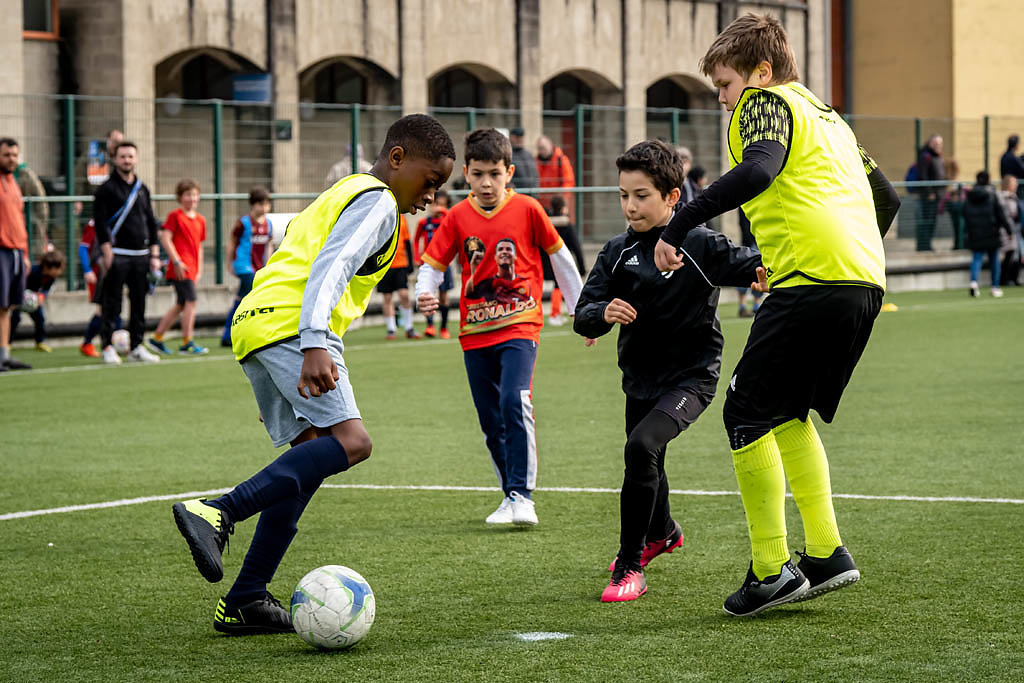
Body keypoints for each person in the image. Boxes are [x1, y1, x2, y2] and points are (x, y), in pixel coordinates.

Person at [653, 13, 900, 616]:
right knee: (786, 413)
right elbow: (885, 197)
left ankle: (770, 570)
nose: (722, 101)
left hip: (815, 282)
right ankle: (826, 552)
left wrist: (682, 222)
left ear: (761, 73)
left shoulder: (764, 102)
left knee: (744, 410)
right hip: (860, 280)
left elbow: (761, 167)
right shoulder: (827, 115)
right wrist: (845, 255)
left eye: (725, 85)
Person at [171, 114, 455, 635]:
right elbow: (332, 265)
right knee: (353, 443)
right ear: (397, 159)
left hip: (258, 323)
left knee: (311, 456)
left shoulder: (343, 189)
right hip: (292, 328)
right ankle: (218, 511)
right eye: (430, 182)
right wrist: (314, 341)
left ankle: (245, 600)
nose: (431, 197)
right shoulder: (380, 202)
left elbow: (290, 255)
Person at [576, 140, 764, 602]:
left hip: (691, 378)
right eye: (623, 195)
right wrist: (604, 312)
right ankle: (662, 532)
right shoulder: (617, 251)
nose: (630, 206)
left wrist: (768, 270)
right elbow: (582, 312)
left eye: (641, 195)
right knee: (646, 457)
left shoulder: (700, 244)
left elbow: (756, 266)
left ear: (672, 198)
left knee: (641, 445)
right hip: (639, 379)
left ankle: (629, 564)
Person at [416, 128, 583, 526]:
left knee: (514, 399)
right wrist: (426, 292)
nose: (486, 183)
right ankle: (508, 494)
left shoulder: (527, 209)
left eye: (494, 173)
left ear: (509, 172)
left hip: (520, 326)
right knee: (490, 418)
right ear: (467, 175)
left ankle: (524, 496)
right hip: (475, 332)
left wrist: (581, 309)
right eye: (477, 174)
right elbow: (432, 265)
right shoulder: (456, 217)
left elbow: (560, 258)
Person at [93, 141, 162, 364]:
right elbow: (100, 222)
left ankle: (136, 346)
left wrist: (154, 253)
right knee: (112, 303)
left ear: (137, 159)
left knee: (139, 303)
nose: (127, 160)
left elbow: (151, 222)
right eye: (123, 156)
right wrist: (106, 250)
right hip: (117, 252)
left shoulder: (142, 189)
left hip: (141, 254)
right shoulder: (106, 189)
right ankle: (106, 346)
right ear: (115, 159)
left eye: (131, 156)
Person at [148, 179, 208, 355]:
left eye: (195, 194)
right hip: (181, 268)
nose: (192, 198)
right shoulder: (175, 216)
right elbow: (165, 238)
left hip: (192, 269)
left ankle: (157, 338)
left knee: (182, 304)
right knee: (191, 301)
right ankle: (187, 342)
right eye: (188, 194)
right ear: (180, 197)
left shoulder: (200, 220)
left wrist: (200, 269)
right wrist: (177, 261)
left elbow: (199, 246)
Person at [221, 187, 274, 348]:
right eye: (260, 204)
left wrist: (268, 264)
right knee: (256, 297)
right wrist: (229, 262)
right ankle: (252, 333)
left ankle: (228, 335)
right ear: (252, 205)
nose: (264, 208)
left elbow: (268, 245)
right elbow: (232, 241)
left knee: (241, 300)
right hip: (244, 266)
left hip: (258, 267)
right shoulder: (244, 222)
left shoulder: (268, 224)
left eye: (267, 204)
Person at [0, 137, 33, 371]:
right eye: (6, 155)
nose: (11, 159)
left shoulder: (14, 184)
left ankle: (4, 354)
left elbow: (19, 220)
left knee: (8, 306)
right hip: (1, 250)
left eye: (14, 155)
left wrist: (25, 253)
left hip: (16, 252)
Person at [413, 188, 453, 338]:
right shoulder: (424, 222)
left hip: (445, 263)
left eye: (441, 204)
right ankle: (430, 326)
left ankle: (444, 327)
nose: (437, 207)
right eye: (435, 204)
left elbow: (452, 220)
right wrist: (417, 256)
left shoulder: (447, 220)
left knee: (444, 296)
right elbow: (416, 240)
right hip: (429, 263)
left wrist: (444, 211)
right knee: (428, 294)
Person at [963, 171, 1010, 298]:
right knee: (994, 259)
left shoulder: (970, 195)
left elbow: (965, 213)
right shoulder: (993, 194)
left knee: (976, 258)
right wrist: (1008, 229)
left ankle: (974, 283)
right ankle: (995, 287)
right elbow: (1000, 213)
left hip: (975, 232)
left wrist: (969, 229)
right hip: (992, 231)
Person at [540, 195, 585, 325]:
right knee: (558, 286)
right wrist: (581, 267)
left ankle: (555, 313)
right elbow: (576, 247)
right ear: (563, 208)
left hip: (544, 260)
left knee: (552, 286)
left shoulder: (547, 223)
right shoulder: (566, 225)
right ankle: (555, 314)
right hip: (560, 260)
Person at [10, 250, 65, 352]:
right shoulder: (32, 271)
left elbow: (45, 290)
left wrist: (41, 296)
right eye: (58, 269)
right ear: (49, 267)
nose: (59, 272)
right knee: (15, 319)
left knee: (40, 318)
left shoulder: (51, 278)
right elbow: (20, 282)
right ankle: (7, 343)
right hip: (19, 298)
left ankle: (40, 341)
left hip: (32, 302)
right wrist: (22, 294)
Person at [377, 214, 419, 340]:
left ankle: (409, 327)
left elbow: (407, 242)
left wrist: (410, 263)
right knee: (387, 297)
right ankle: (391, 329)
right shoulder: (379, 217)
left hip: (400, 263)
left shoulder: (402, 219)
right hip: (384, 265)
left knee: (404, 294)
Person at [14, 156, 51, 254]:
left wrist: (40, 226)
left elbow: (41, 202)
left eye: (14, 155)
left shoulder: (25, 174)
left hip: (25, 224)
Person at [915, 134, 945, 251]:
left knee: (932, 221)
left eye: (940, 144)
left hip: (937, 195)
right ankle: (924, 245)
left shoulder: (937, 157)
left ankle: (927, 244)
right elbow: (923, 176)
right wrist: (929, 193)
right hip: (929, 196)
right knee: (926, 221)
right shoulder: (926, 157)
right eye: (937, 144)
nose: (939, 146)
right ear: (931, 144)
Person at [535, 134, 576, 214]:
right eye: (539, 148)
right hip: (541, 204)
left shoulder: (561, 160)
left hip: (557, 204)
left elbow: (568, 181)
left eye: (543, 147)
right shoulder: (536, 161)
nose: (541, 151)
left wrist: (562, 201)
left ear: (550, 145)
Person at [735, 209, 763, 318]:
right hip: (748, 242)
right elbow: (742, 222)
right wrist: (749, 240)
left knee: (759, 273)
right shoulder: (743, 204)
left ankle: (756, 304)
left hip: (758, 242)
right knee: (743, 272)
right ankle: (742, 306)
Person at [998, 175, 1022, 286]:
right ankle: (1005, 279)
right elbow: (1007, 214)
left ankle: (1013, 278)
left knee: (1015, 253)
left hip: (1014, 228)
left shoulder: (1014, 196)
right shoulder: (1004, 197)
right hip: (1007, 229)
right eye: (1013, 183)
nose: (1016, 185)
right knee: (1009, 253)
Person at [939, 158, 968, 250]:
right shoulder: (956, 181)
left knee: (958, 227)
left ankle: (958, 244)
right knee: (960, 227)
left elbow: (946, 196)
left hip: (954, 206)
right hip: (959, 206)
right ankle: (960, 244)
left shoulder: (948, 182)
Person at [509, 127, 539, 193]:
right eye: (517, 137)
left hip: (532, 194)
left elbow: (535, 175)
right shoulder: (508, 155)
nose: (519, 139)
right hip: (516, 194)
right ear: (511, 137)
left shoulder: (529, 155)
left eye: (521, 137)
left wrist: (536, 190)